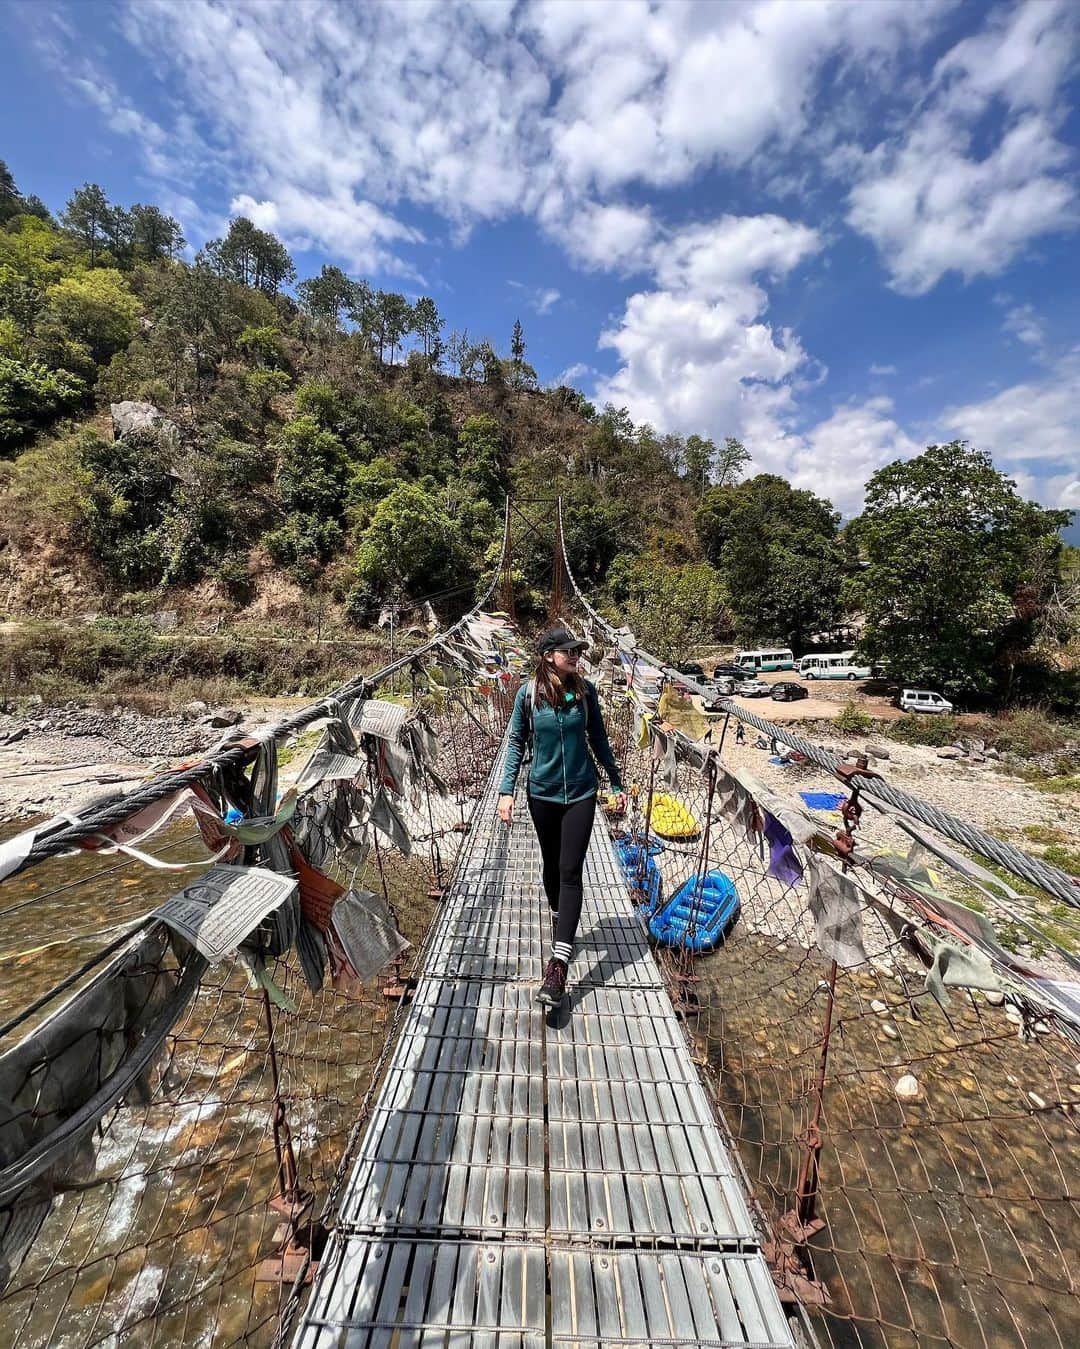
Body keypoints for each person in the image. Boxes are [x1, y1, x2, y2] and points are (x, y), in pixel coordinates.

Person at [497, 626, 627, 1006]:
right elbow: (516, 742)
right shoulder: (528, 694)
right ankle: (559, 916)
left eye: (578, 651)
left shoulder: (585, 693)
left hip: (582, 793)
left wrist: (616, 782)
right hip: (541, 793)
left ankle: (558, 965)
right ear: (548, 655)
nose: (575, 655)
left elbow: (598, 738)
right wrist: (506, 791)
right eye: (568, 650)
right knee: (552, 868)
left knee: (571, 870)